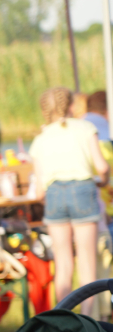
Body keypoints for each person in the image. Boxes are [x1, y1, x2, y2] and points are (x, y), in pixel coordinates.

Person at [30, 87, 109, 316]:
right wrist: (102, 181)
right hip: (83, 189)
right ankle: (87, 323)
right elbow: (102, 167)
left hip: (55, 193)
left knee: (63, 264)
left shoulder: (41, 138)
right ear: (71, 105)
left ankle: (63, 322)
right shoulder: (85, 128)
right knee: (87, 264)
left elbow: (38, 190)